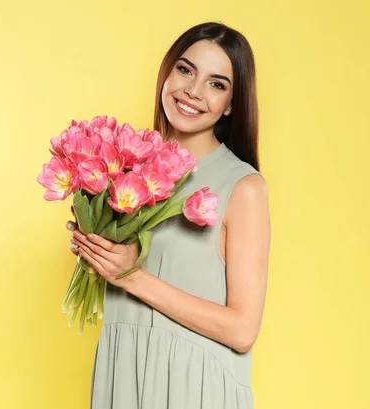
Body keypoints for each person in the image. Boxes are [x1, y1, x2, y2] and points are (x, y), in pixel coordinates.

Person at [67, 21, 271, 409]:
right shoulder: (124, 169)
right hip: (124, 377)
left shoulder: (243, 187)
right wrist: (93, 247)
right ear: (167, 72)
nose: (193, 91)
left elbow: (243, 330)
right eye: (185, 69)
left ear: (230, 104)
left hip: (193, 390)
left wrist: (130, 274)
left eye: (217, 83)